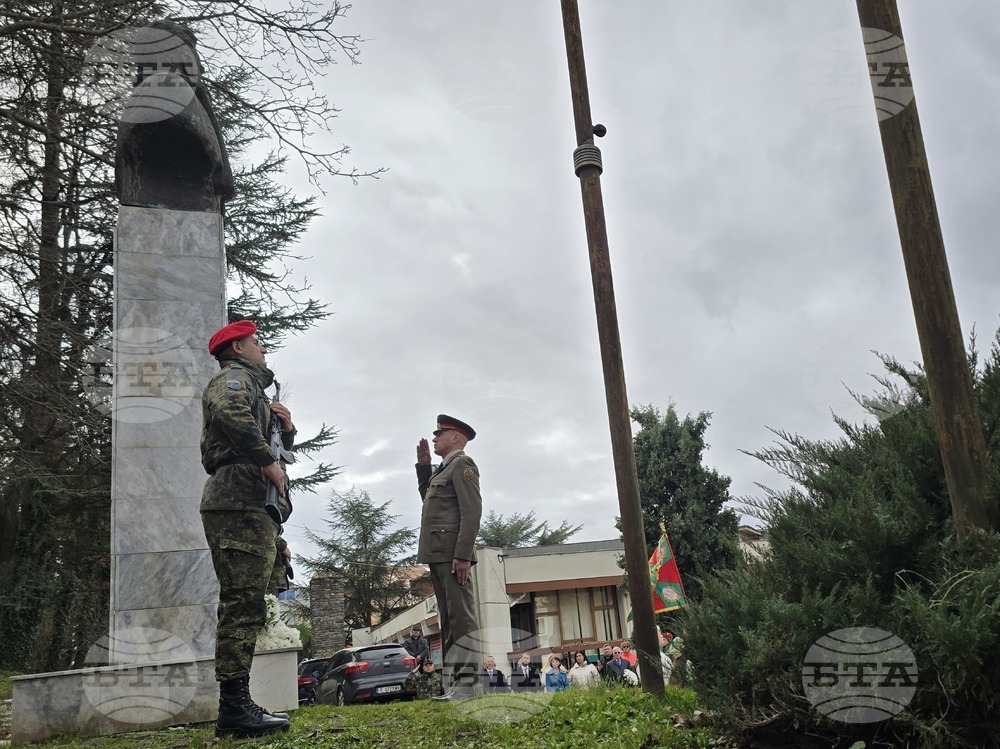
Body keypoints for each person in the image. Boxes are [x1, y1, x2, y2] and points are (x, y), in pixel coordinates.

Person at [200, 320, 294, 737]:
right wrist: (266, 460)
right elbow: (229, 412)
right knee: (241, 603)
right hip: (237, 498)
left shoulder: (253, 386)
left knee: (250, 602)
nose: (263, 349)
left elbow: (271, 444)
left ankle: (238, 705)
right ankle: (234, 710)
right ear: (237, 347)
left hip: (248, 502)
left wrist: (285, 429)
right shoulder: (234, 379)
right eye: (256, 342)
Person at [415, 415, 483, 699]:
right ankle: (456, 684)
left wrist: (463, 555)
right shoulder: (442, 470)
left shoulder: (462, 465)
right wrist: (423, 468)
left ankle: (470, 684)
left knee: (462, 618)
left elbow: (472, 511)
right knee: (449, 620)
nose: (434, 438)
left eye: (439, 434)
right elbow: (429, 500)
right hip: (439, 553)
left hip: (453, 553)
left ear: (455, 437)